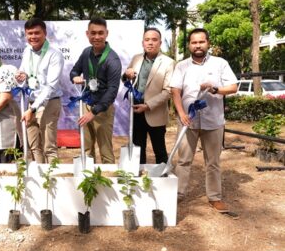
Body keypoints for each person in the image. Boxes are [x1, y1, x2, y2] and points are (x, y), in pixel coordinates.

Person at [170, 28, 237, 213]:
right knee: (183, 160)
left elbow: (232, 87)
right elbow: (175, 91)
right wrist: (181, 113)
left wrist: (216, 89)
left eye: (201, 42)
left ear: (208, 43)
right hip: (187, 122)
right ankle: (177, 194)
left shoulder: (220, 63)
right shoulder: (182, 65)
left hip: (213, 121)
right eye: (194, 42)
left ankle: (215, 197)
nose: (197, 46)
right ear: (189, 45)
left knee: (213, 162)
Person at [70, 17, 122, 164]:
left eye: (100, 33)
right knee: (86, 150)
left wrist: (94, 112)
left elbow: (112, 91)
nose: (97, 37)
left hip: (103, 110)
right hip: (85, 105)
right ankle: (89, 184)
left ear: (107, 34)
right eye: (93, 33)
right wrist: (74, 77)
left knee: (105, 152)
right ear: (87, 34)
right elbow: (74, 71)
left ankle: (109, 185)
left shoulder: (113, 59)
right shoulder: (86, 52)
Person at [123, 27, 174, 164]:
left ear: (160, 43)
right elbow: (126, 78)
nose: (150, 43)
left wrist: (148, 105)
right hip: (136, 111)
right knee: (137, 151)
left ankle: (163, 178)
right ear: (142, 43)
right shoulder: (136, 58)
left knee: (160, 151)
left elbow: (168, 91)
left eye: (154, 40)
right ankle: (138, 180)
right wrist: (127, 74)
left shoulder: (168, 62)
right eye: (147, 40)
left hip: (155, 112)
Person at [15, 18, 64, 163]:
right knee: (34, 146)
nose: (33, 37)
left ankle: (53, 180)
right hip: (31, 103)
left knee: (49, 147)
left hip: (48, 103)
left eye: (37, 33)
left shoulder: (54, 54)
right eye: (29, 33)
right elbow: (24, 73)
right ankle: (40, 178)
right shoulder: (27, 51)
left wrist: (33, 108)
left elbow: (51, 86)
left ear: (45, 33)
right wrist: (21, 76)